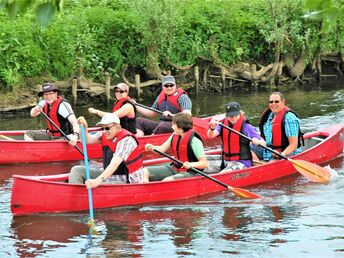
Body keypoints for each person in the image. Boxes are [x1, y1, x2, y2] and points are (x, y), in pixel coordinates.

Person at [68, 113, 144, 187]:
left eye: (107, 128)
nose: (104, 131)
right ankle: (75, 196)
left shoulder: (126, 140)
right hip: (110, 175)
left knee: (99, 185)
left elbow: (114, 164)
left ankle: (81, 195)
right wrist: (84, 127)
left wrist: (97, 181)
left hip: (127, 179)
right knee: (77, 170)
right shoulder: (104, 134)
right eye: (103, 128)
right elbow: (85, 140)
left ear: (117, 127)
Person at [144, 112, 208, 182]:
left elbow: (204, 164)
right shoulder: (174, 135)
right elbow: (161, 149)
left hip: (191, 172)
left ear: (180, 127)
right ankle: (146, 190)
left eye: (173, 125)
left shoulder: (195, 141)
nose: (171, 127)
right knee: (144, 171)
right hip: (175, 168)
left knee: (167, 181)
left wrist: (190, 164)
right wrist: (152, 147)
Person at [205, 102, 266, 173]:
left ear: (239, 114)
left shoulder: (247, 127)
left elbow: (264, 143)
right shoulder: (223, 124)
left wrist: (257, 142)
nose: (233, 118)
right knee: (199, 160)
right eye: (230, 116)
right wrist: (211, 128)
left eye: (235, 115)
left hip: (242, 162)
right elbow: (210, 136)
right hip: (225, 160)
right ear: (226, 115)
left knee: (223, 174)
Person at [256, 92, 303, 161]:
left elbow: (293, 144)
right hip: (268, 152)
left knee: (271, 165)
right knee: (247, 147)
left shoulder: (289, 118)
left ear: (283, 102)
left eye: (276, 101)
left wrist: (282, 154)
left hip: (285, 154)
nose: (273, 104)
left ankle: (262, 167)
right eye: (271, 102)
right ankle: (257, 164)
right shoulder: (268, 117)